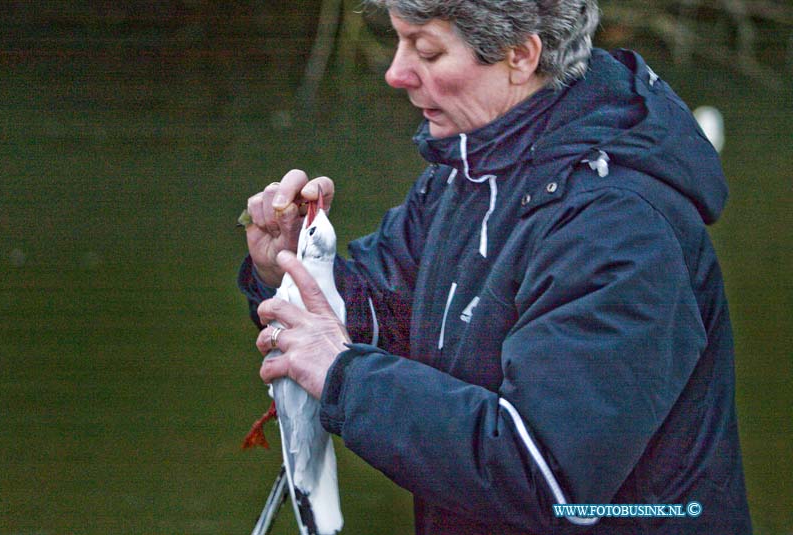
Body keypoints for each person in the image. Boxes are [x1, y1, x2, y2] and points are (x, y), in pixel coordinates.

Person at [238, 0, 752, 533]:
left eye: (427, 50)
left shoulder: (619, 229)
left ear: (521, 55)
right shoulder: (467, 170)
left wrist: (344, 377)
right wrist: (292, 269)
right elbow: (381, 317)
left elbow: (545, 479)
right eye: (397, 41)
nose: (395, 72)